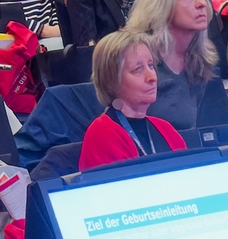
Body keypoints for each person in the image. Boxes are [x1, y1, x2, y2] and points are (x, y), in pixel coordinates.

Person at [123, 0, 227, 131]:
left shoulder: (204, 61)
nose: (201, 3)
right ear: (162, 4)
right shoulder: (135, 58)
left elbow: (220, 128)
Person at [77, 29, 186, 169]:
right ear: (111, 81)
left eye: (151, 65)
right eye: (137, 69)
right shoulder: (101, 134)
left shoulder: (166, 129)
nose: (152, 77)